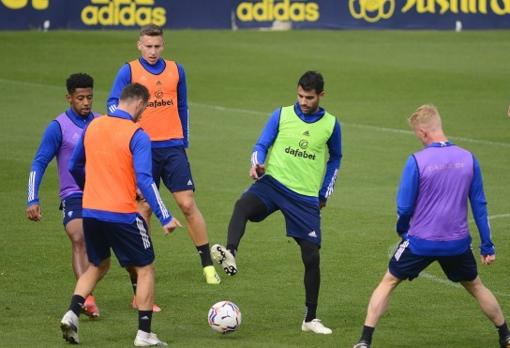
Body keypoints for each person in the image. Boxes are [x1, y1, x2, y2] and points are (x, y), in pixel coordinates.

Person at [353, 105, 510, 348]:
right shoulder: (468, 158)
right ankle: (505, 336)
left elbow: (404, 208)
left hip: (420, 242)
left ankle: (365, 341)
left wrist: (403, 231)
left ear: (424, 132)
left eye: (417, 134)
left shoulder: (417, 160)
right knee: (476, 286)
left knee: (389, 282)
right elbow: (479, 205)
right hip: (457, 244)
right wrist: (487, 245)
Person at [211, 71, 342, 334]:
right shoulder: (281, 114)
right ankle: (231, 254)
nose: (304, 101)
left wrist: (324, 193)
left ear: (321, 95)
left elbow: (335, 158)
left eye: (309, 97)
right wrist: (256, 164)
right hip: (273, 184)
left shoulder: (330, 124)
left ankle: (310, 319)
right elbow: (261, 144)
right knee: (243, 206)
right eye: (300, 96)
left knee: (311, 256)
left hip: (304, 197)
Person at [60, 83, 181, 346]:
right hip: (122, 214)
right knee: (145, 268)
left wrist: (90, 187)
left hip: (90, 210)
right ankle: (144, 334)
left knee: (98, 264)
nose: (143, 113)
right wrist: (165, 216)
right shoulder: (137, 134)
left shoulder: (94, 125)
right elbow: (146, 180)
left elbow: (73, 165)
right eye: (144, 108)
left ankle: (71, 313)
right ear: (138, 103)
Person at [107, 24, 220, 286]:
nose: (153, 51)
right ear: (139, 45)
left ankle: (207, 265)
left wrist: (184, 140)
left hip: (172, 148)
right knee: (143, 208)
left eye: (157, 46)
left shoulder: (176, 70)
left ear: (163, 45)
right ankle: (142, 271)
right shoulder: (129, 70)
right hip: (141, 147)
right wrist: (129, 128)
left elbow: (182, 105)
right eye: (148, 46)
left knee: (187, 204)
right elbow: (112, 104)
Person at [26, 73, 100, 318]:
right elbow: (39, 162)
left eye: (89, 97)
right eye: (80, 98)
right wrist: (32, 199)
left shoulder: (101, 123)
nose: (86, 102)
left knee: (114, 252)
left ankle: (139, 294)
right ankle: (86, 298)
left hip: (103, 194)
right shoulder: (58, 127)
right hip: (74, 195)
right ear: (69, 98)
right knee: (78, 237)